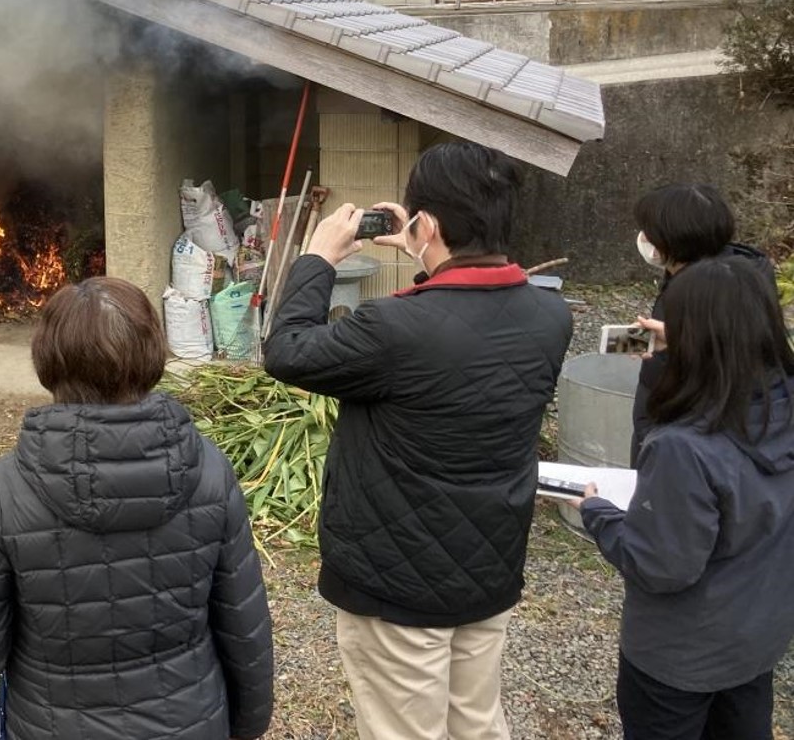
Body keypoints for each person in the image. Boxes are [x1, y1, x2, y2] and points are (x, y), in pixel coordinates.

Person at [263, 142, 572, 740]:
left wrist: (316, 258)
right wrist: (427, 252)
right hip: (487, 567)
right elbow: (462, 319)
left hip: (397, 583)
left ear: (425, 223)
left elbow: (287, 351)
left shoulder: (394, 329)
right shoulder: (550, 317)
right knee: (476, 723)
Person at [0, 277, 274, 740]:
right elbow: (244, 625)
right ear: (152, 355)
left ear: (47, 360)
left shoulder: (1, 489)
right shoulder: (211, 471)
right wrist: (248, 724)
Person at [581, 257, 794, 740]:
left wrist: (597, 512)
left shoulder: (684, 447)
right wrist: (680, 349)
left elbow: (661, 565)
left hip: (679, 658)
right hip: (758, 638)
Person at [628, 182, 775, 463]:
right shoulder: (729, 273)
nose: (643, 237)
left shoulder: (715, 292)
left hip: (685, 446)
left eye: (649, 231)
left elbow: (725, 372)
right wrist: (675, 340)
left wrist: (681, 345)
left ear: (672, 239)